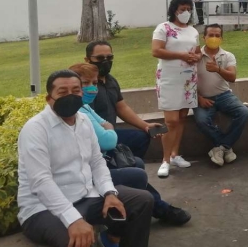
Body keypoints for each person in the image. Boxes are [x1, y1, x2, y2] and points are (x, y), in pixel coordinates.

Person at [17, 70, 153, 247]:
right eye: (62, 92)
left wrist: (109, 193)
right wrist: (73, 219)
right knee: (77, 241)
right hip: (43, 209)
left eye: (75, 91)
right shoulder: (35, 129)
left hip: (86, 196)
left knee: (142, 200)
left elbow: (96, 162)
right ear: (49, 98)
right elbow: (40, 181)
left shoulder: (84, 121)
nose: (70, 96)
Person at [69, 63, 191, 226]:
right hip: (90, 168)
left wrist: (145, 126)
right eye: (85, 84)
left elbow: (114, 115)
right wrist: (107, 130)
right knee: (136, 173)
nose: (91, 88)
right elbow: (108, 140)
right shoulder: (77, 111)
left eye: (94, 83)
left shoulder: (91, 99)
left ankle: (138, 192)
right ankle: (159, 208)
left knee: (137, 153)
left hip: (100, 155)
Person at [152, 0, 200, 178]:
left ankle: (175, 154)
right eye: (182, 9)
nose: (185, 12)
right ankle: (164, 161)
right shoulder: (163, 28)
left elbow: (196, 51)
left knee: (181, 117)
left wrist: (196, 56)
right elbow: (156, 51)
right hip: (169, 78)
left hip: (188, 79)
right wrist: (181, 56)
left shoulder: (193, 30)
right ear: (174, 10)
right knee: (171, 121)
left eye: (188, 9)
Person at [86, 41, 159, 161]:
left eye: (109, 57)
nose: (105, 61)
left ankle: (128, 166)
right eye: (99, 58)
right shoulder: (86, 88)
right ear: (87, 59)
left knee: (141, 138)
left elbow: (121, 107)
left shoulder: (111, 81)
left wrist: (145, 126)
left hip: (110, 132)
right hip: (94, 137)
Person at [193, 24, 248, 166]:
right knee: (201, 120)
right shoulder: (196, 57)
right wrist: (199, 98)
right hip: (203, 97)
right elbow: (187, 81)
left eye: (217, 36)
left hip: (224, 95)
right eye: (210, 35)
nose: (214, 38)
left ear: (222, 38)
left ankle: (221, 148)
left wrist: (218, 69)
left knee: (244, 112)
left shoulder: (227, 56)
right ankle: (226, 147)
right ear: (204, 37)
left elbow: (232, 77)